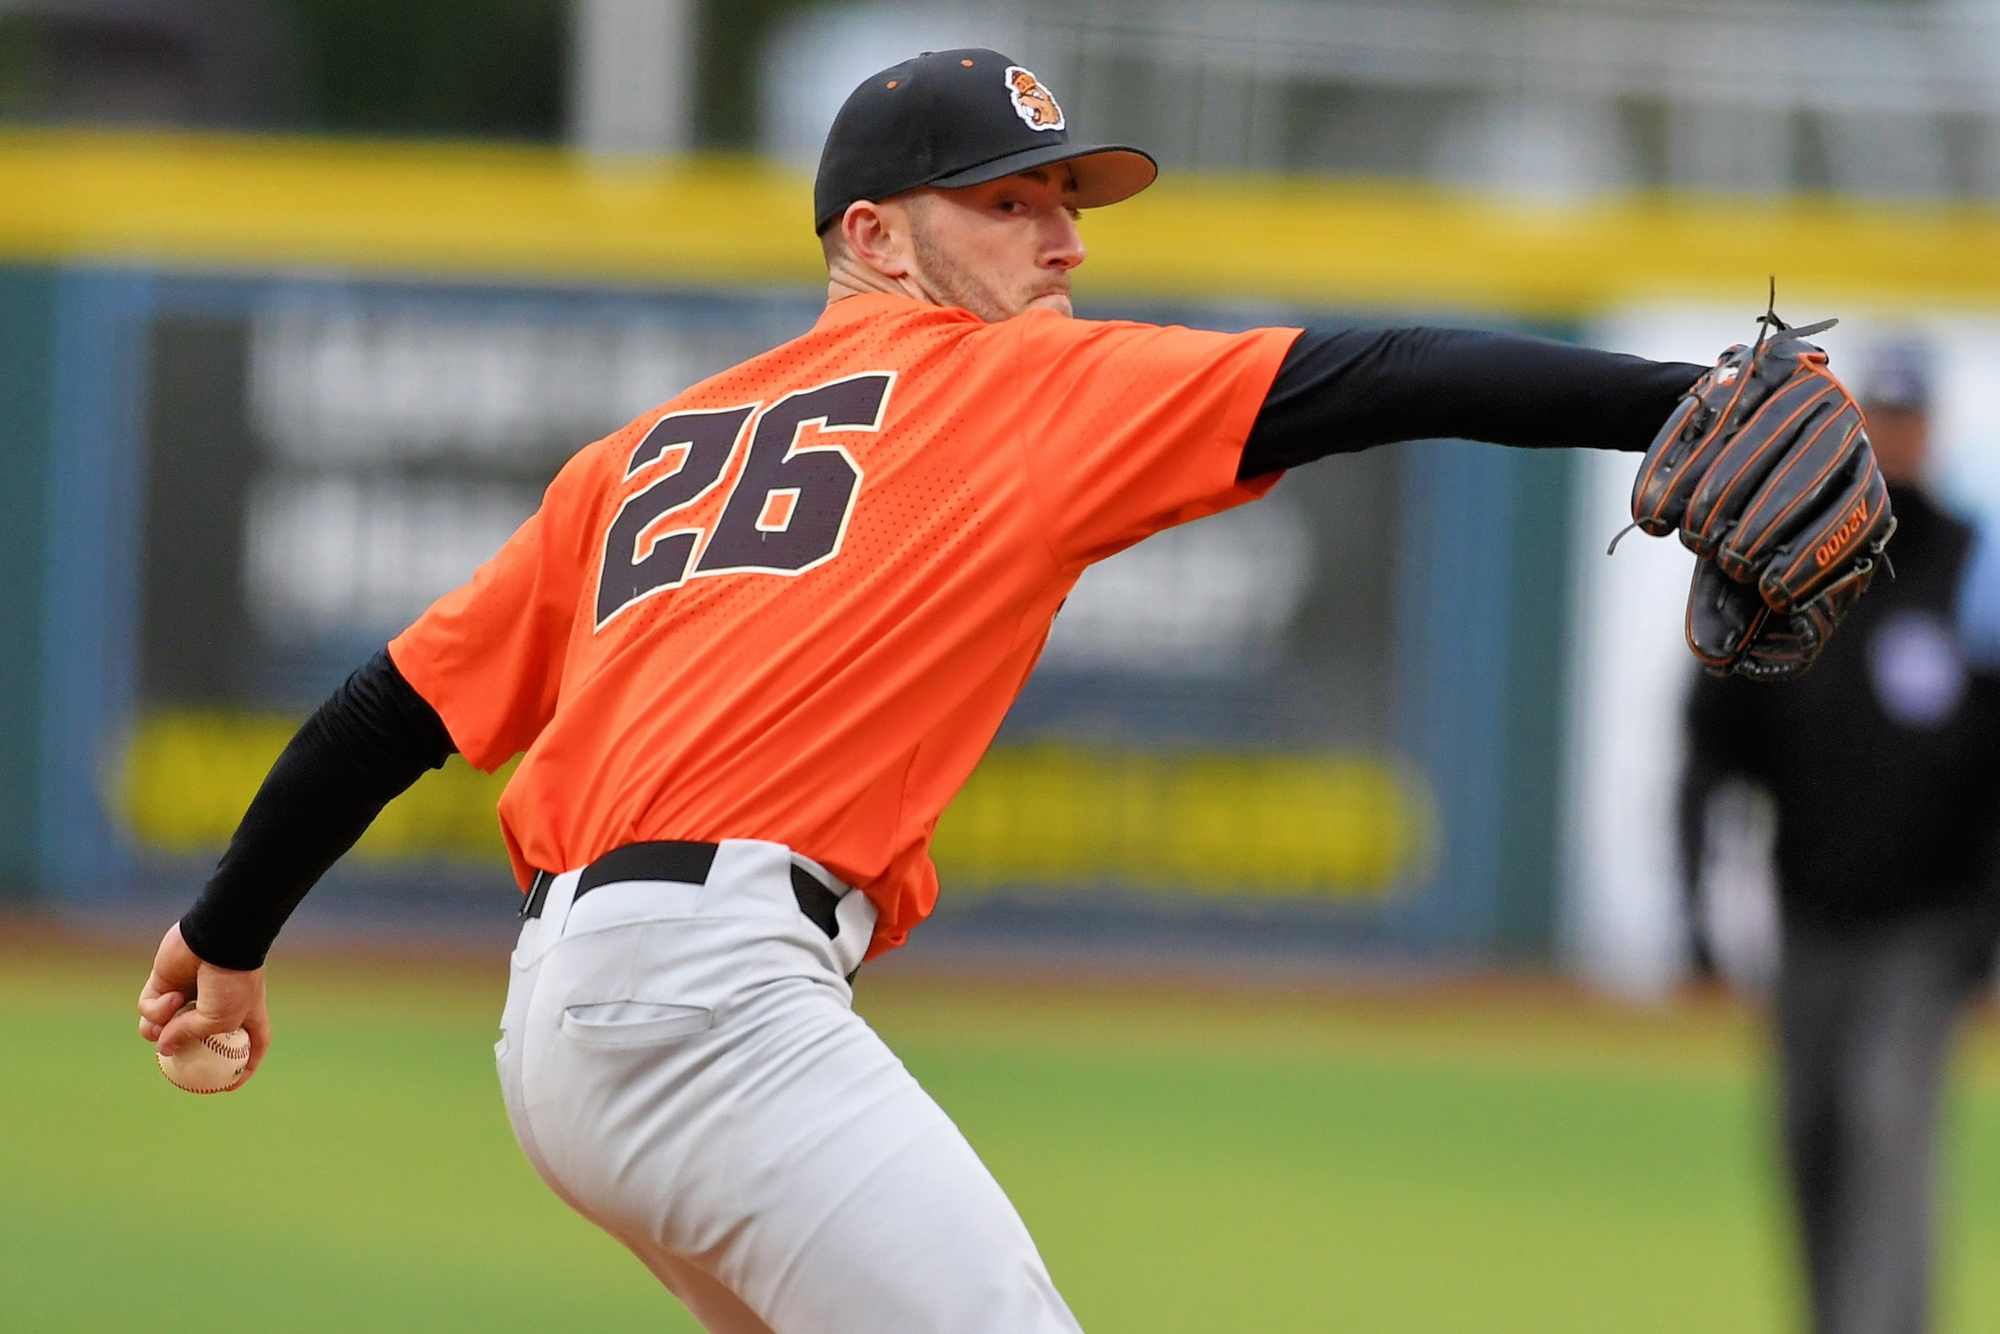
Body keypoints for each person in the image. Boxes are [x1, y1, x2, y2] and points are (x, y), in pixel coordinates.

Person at [139, 48, 1815, 1332]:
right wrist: (1687, 394)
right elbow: (1367, 378)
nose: (1066, 237)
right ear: (873, 233)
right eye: (1012, 200)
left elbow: (388, 708)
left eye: (1069, 200)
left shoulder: (641, 454)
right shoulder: (1010, 383)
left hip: (570, 1028)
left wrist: (223, 934)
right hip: (710, 1000)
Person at [1681, 340, 2000, 1334]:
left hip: (1925, 923)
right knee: (1809, 1138)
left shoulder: (1971, 565)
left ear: (1930, 431)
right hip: (1809, 915)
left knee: (1884, 1123)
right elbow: (1710, 742)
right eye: (1882, 421)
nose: (1897, 440)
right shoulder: (1789, 556)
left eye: (1910, 422)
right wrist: (1691, 894)